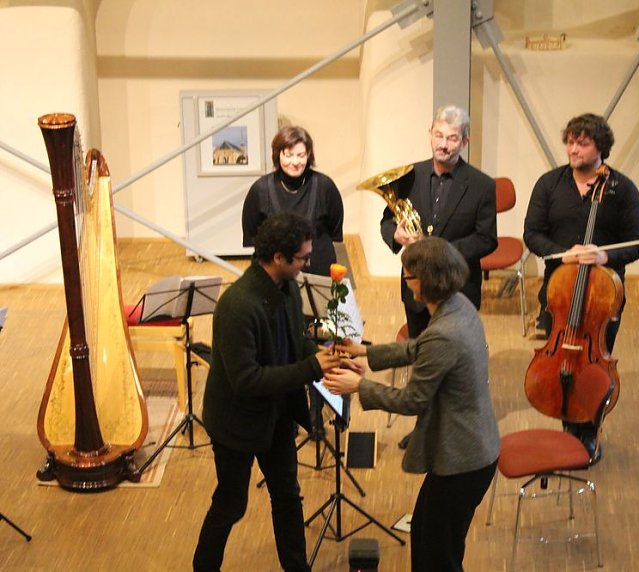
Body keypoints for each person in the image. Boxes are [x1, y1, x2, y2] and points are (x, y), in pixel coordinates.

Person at [323, 237, 500, 572]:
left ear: (426, 281)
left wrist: (359, 385)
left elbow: (412, 400)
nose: (405, 283)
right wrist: (366, 353)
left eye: (408, 277)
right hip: (471, 449)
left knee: (438, 558)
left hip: (463, 459)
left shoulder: (446, 331)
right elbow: (420, 347)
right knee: (424, 535)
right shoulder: (458, 305)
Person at [193, 210, 341, 572]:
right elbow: (248, 380)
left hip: (275, 417)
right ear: (279, 258)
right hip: (236, 424)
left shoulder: (288, 288)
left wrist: (323, 356)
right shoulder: (237, 305)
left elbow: (296, 341)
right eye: (303, 257)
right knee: (231, 504)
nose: (307, 263)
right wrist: (312, 367)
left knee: (288, 497)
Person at [523, 113, 639, 455]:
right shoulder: (549, 184)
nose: (573, 149)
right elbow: (532, 234)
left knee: (592, 368)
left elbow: (638, 241)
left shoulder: (622, 189)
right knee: (560, 362)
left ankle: (589, 428)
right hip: (559, 297)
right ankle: (567, 423)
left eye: (583, 143)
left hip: (601, 301)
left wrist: (606, 257)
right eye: (570, 141)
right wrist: (562, 254)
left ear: (600, 148)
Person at [380, 104, 498, 339]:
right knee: (419, 353)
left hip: (458, 289)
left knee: (455, 357)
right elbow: (387, 220)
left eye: (452, 138)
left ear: (465, 142)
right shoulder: (409, 175)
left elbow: (486, 239)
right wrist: (396, 234)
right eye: (439, 135)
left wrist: (441, 252)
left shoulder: (482, 185)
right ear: (430, 134)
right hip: (416, 287)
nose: (443, 144)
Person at [242, 125, 344, 276]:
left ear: (309, 155)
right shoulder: (260, 189)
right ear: (278, 155)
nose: (295, 162)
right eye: (288, 155)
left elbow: (335, 230)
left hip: (318, 271)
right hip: (274, 276)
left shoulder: (325, 186)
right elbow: (252, 236)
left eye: (301, 155)